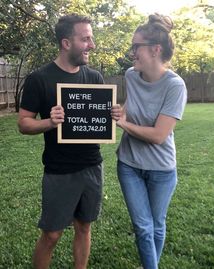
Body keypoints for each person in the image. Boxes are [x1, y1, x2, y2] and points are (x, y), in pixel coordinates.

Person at [18, 14, 104, 269]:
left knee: (84, 226)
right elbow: (23, 123)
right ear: (66, 43)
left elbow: (99, 120)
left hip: (92, 166)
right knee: (52, 234)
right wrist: (49, 122)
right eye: (86, 38)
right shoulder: (39, 78)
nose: (92, 44)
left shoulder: (95, 78)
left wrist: (112, 114)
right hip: (59, 171)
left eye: (91, 38)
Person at [111, 13, 187, 269]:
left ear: (155, 50)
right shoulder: (131, 76)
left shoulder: (175, 86)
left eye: (136, 47)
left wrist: (123, 124)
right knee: (143, 226)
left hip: (162, 170)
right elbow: (131, 107)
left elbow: (158, 136)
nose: (132, 53)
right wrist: (120, 112)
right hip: (129, 164)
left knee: (156, 225)